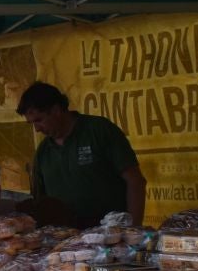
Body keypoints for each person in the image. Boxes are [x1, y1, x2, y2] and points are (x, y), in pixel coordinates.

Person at [16, 82, 146, 227]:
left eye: (39, 120)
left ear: (56, 110)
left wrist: (134, 229)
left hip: (111, 236)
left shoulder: (99, 131)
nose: (37, 129)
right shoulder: (43, 152)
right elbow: (40, 203)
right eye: (31, 123)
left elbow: (135, 181)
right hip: (67, 243)